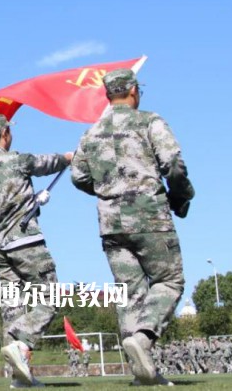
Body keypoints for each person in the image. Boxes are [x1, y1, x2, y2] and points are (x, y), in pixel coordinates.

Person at [71, 68, 194, 387]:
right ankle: (143, 337)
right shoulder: (150, 121)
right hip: (149, 217)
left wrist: (108, 192)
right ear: (134, 91)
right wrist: (180, 196)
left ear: (108, 95)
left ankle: (142, 372)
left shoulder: (92, 132)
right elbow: (173, 164)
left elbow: (78, 176)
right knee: (169, 280)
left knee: (128, 293)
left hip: (110, 223)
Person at [0, 114, 72, 388]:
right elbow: (44, 163)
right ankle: (21, 341)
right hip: (23, 240)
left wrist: (33, 201)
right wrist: (67, 157)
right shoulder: (15, 159)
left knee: (12, 305)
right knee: (50, 297)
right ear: (5, 133)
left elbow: (4, 200)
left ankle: (19, 376)